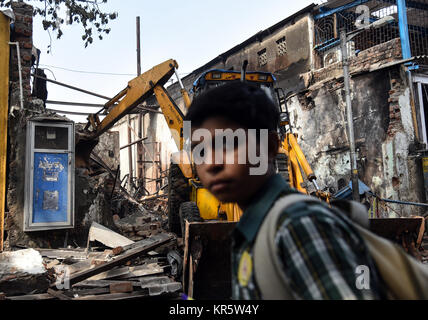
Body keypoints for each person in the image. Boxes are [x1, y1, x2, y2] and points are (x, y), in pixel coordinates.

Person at [183, 81, 386, 300]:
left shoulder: (297, 226)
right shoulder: (257, 230)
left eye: (228, 144)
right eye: (200, 150)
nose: (211, 164)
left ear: (269, 147)